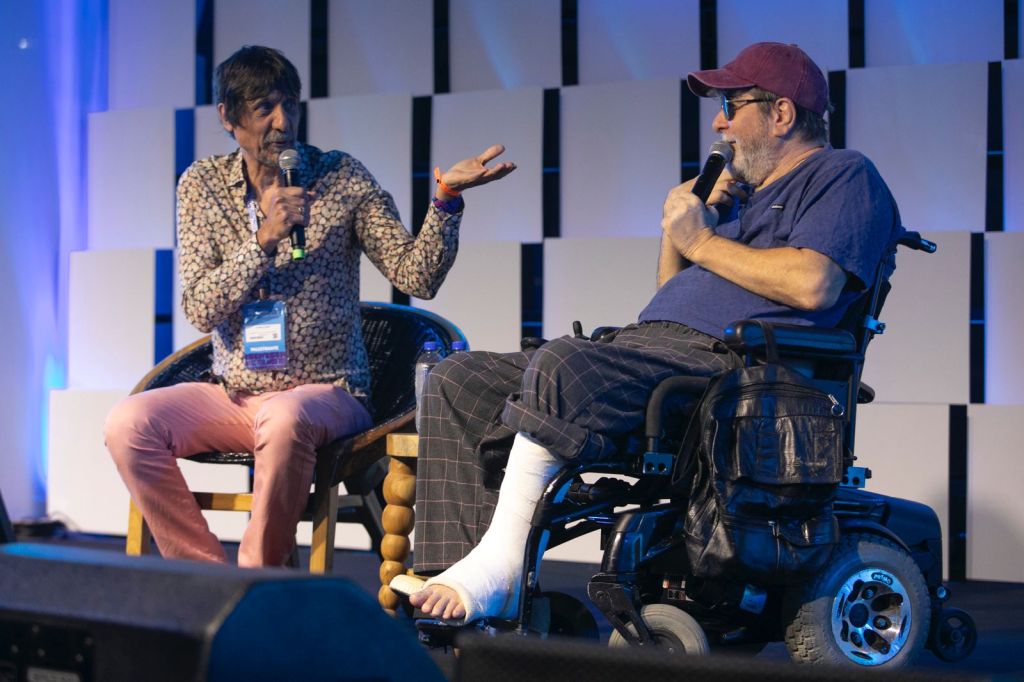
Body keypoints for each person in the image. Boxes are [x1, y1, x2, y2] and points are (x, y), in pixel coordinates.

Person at [393, 42, 903, 622]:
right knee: (458, 379)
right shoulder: (738, 195)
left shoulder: (843, 175)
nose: (720, 121)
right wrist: (682, 224)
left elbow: (816, 284)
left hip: (735, 370)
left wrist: (702, 241)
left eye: (733, 106)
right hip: (652, 348)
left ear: (782, 114)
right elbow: (669, 292)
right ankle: (454, 577)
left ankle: (498, 572)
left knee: (564, 364)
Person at [104, 45, 515, 568]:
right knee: (127, 424)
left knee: (284, 415)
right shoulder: (201, 186)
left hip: (328, 393)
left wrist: (446, 202)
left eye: (291, 105)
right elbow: (200, 308)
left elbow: (418, 276)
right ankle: (203, 577)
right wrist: (264, 240)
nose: (283, 122)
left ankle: (260, 580)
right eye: (264, 108)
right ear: (228, 117)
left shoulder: (340, 177)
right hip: (233, 394)